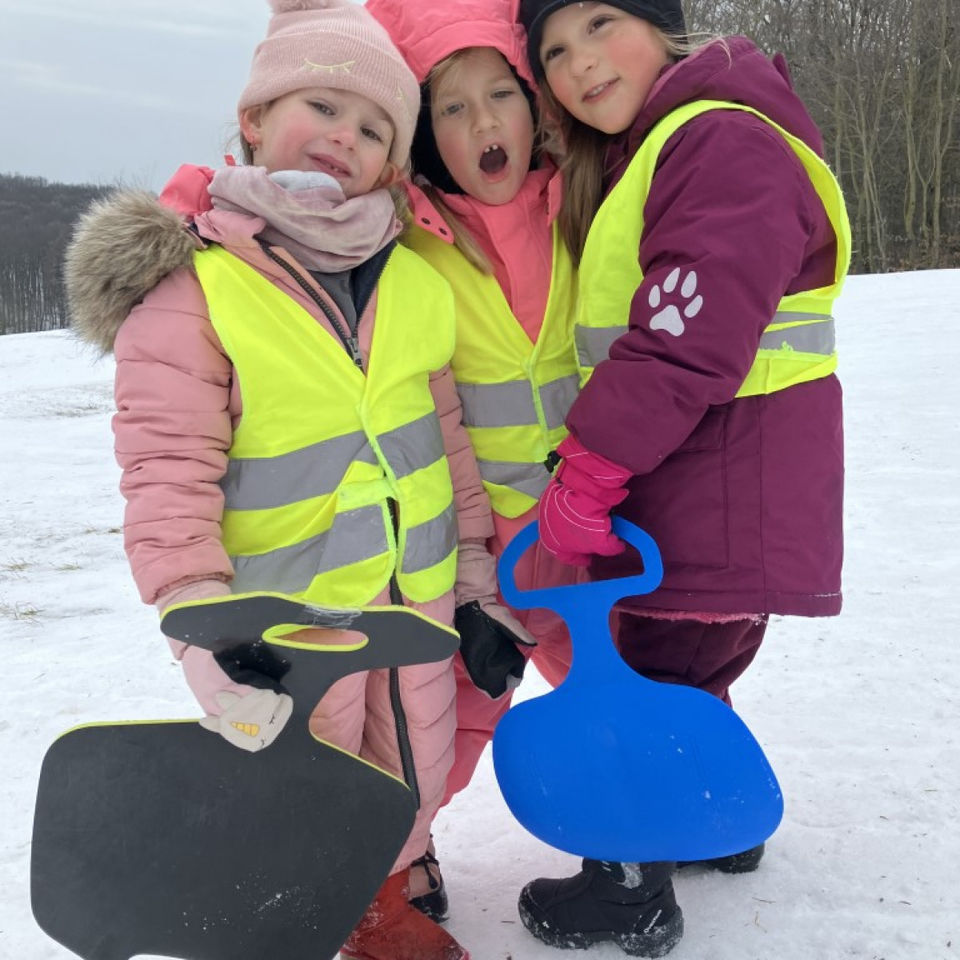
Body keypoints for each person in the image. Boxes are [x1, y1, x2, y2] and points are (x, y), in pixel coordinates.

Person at [62, 1, 538, 956]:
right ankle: (323, 902)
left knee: (416, 758)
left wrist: (479, 581)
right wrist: (207, 630)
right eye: (323, 105)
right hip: (285, 621)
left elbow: (448, 440)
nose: (344, 138)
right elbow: (166, 482)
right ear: (253, 118)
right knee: (306, 772)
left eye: (373, 128)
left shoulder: (411, 279)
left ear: (393, 164)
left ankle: (386, 884)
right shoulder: (193, 287)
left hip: (418, 600)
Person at [511, 0, 851, 955]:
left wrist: (587, 472)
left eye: (600, 25)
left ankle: (624, 887)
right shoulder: (671, 141)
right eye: (555, 52)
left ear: (666, 25)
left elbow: (680, 339)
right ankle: (714, 820)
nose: (580, 64)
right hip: (718, 483)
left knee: (641, 676)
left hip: (717, 484)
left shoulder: (719, 138)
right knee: (691, 672)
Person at [366, 0, 582, 921]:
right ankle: (390, 856)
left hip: (596, 522)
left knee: (643, 672)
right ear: (424, 136)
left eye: (501, 94)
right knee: (443, 720)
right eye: (451, 109)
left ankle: (678, 803)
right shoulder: (405, 240)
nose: (483, 122)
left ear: (537, 109)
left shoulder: (589, 204)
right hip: (476, 542)